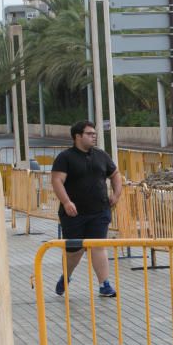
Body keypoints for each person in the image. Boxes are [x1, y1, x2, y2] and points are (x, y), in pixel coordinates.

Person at [51, 120, 122, 297]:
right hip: (74, 214)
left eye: (94, 133)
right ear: (78, 136)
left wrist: (116, 194)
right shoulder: (65, 158)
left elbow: (115, 175)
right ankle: (66, 277)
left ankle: (104, 285)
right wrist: (67, 202)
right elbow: (57, 181)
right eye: (90, 134)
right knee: (75, 251)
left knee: (98, 245)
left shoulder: (101, 155)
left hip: (99, 211)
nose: (94, 136)